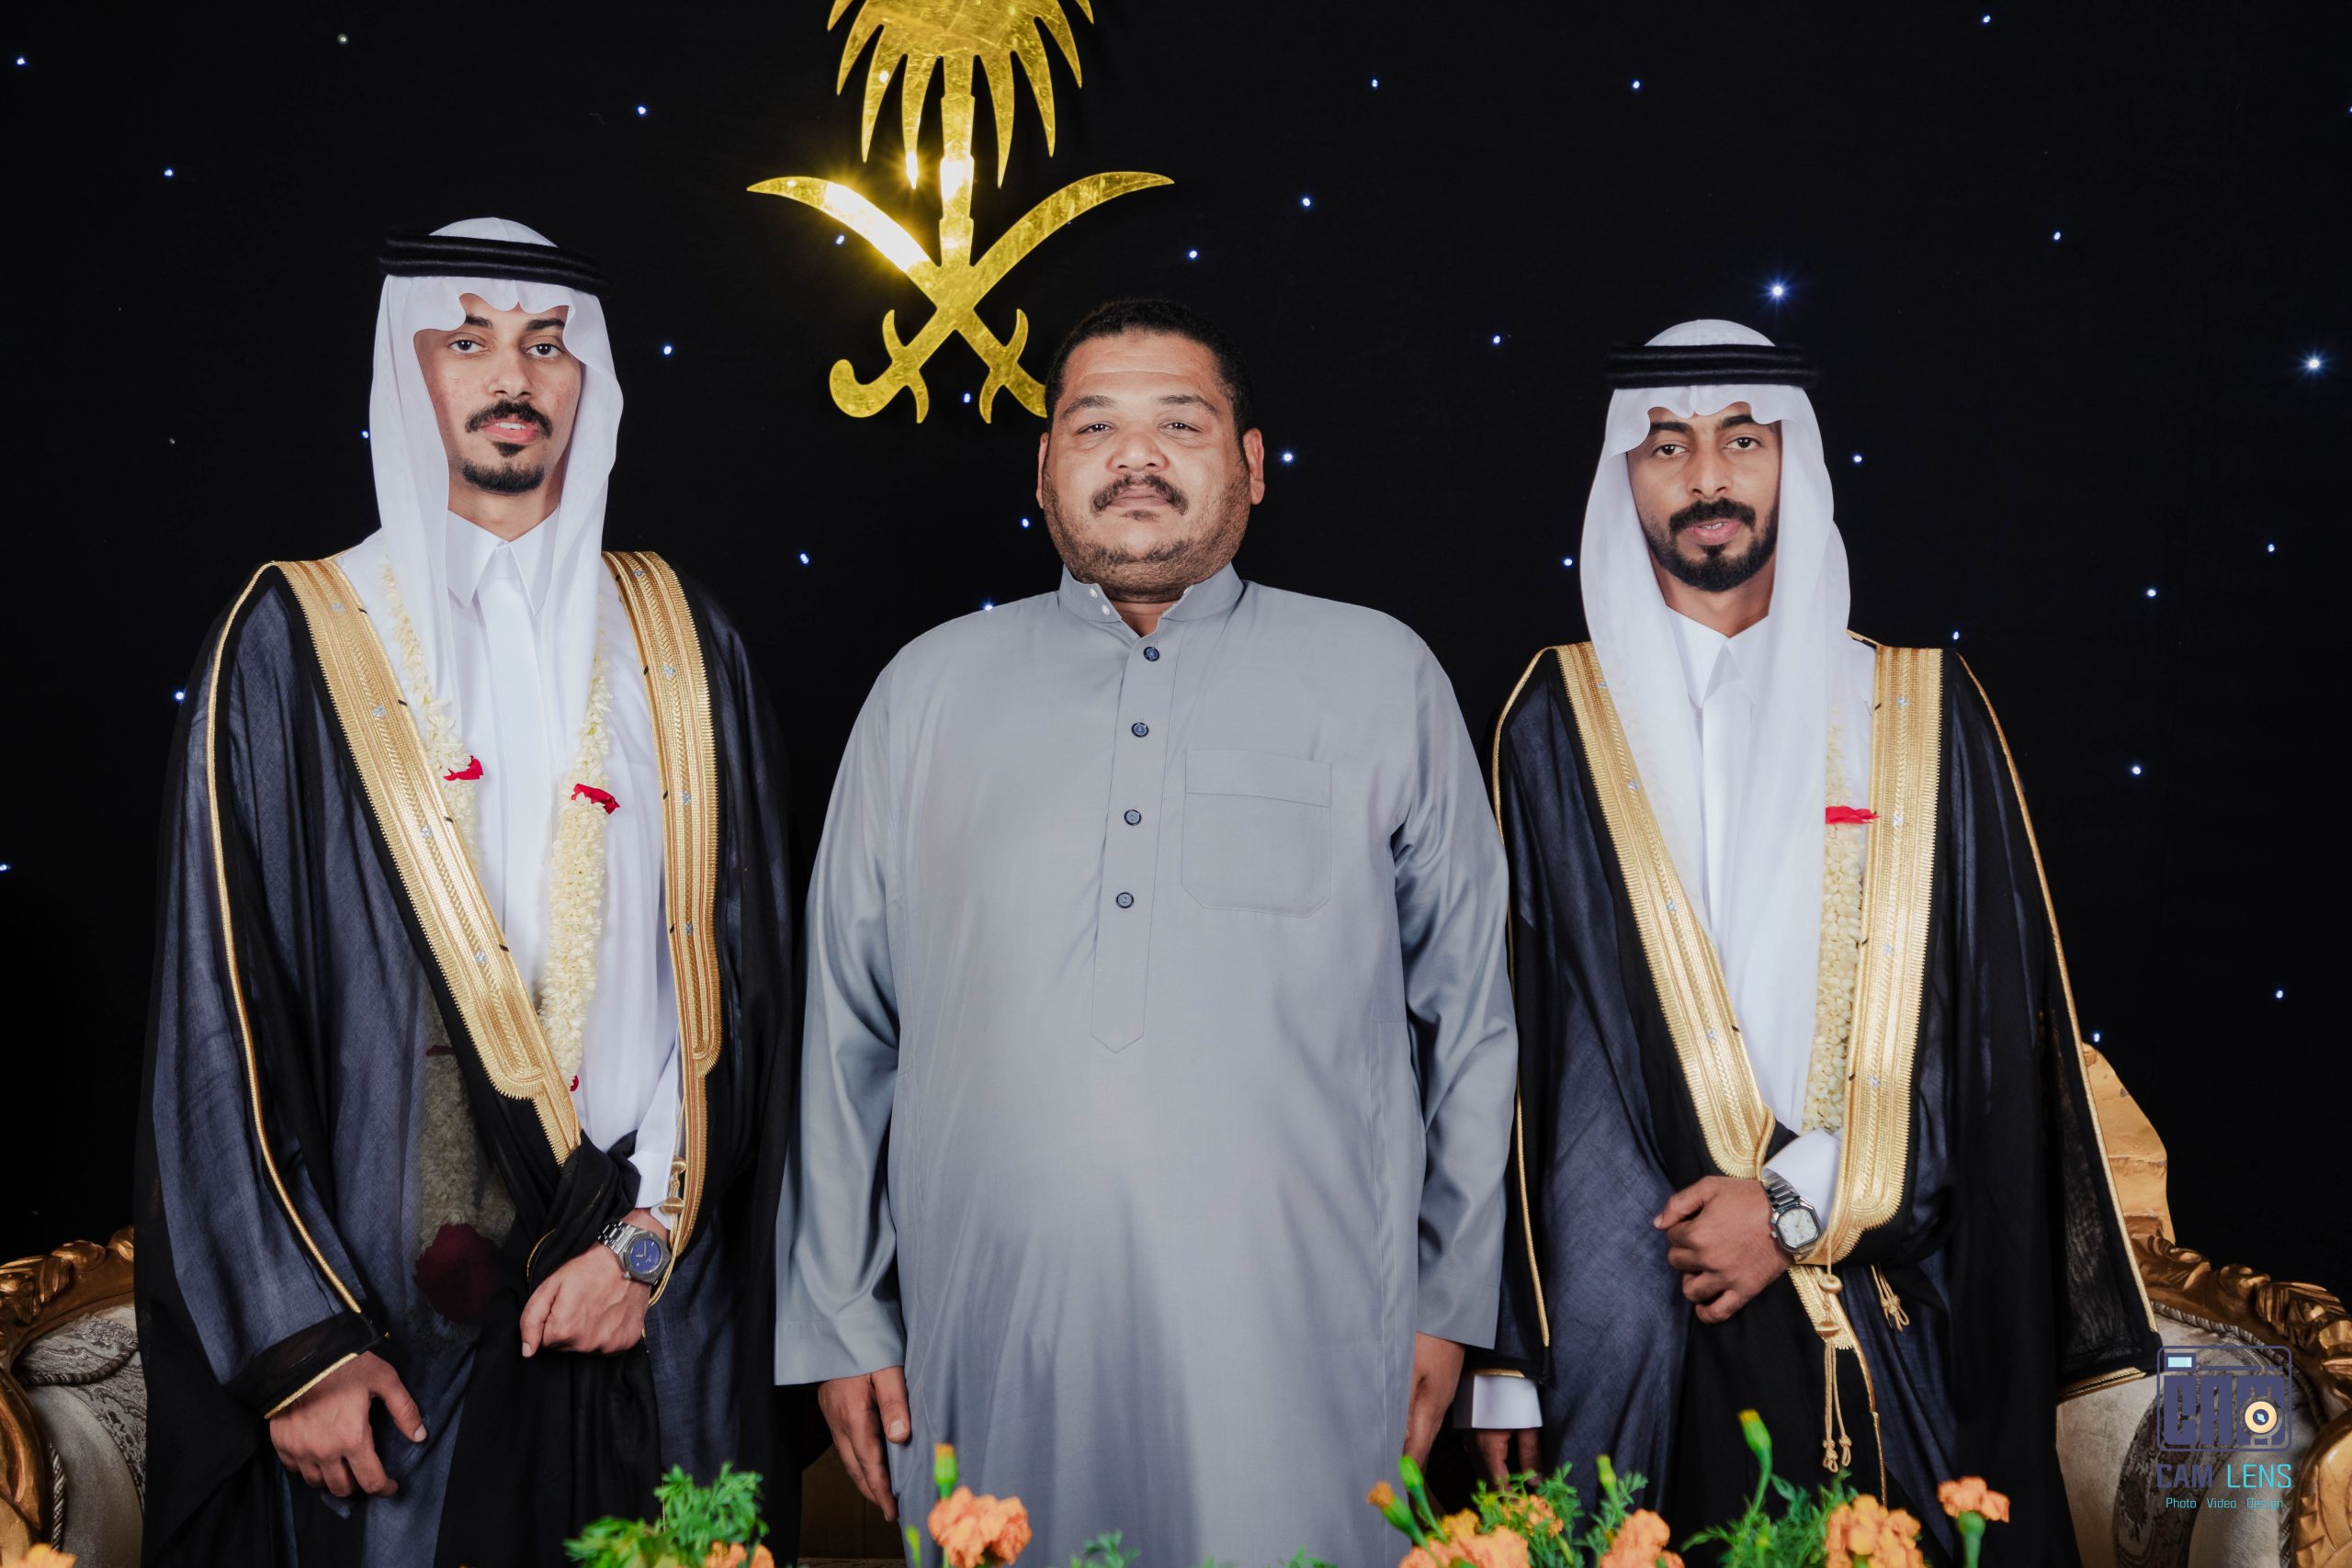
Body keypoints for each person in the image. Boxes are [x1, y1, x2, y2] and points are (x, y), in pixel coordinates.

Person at [778, 299, 1518, 1566]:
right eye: (1094, 427)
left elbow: (1472, 1020)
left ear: (1252, 465)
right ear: (1043, 471)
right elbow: (847, 1029)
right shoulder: (925, 691)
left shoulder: (1381, 674)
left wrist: (1450, 1302)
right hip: (991, 1340)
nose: (1135, 457)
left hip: (1312, 1338)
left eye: (1180, 424)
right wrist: (842, 1313)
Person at [134, 219, 799, 1568]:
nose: (513, 376)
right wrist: (301, 1346)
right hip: (393, 1347)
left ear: (587, 377)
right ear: (410, 367)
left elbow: (739, 979)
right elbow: (218, 1012)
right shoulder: (295, 636)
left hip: (642, 1308)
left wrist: (646, 1244)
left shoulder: (681, 637)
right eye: (470, 340)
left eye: (547, 345)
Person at [1471, 321, 2159, 1562]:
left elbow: (1983, 1043)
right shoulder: (1555, 721)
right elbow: (1524, 1049)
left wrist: (1790, 1205)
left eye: (1745, 440)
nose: (1707, 477)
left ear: (1799, 460)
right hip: (1637, 1315)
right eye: (1667, 445)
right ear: (1624, 475)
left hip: (1889, 1307)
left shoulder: (1920, 711)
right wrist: (1514, 1355)